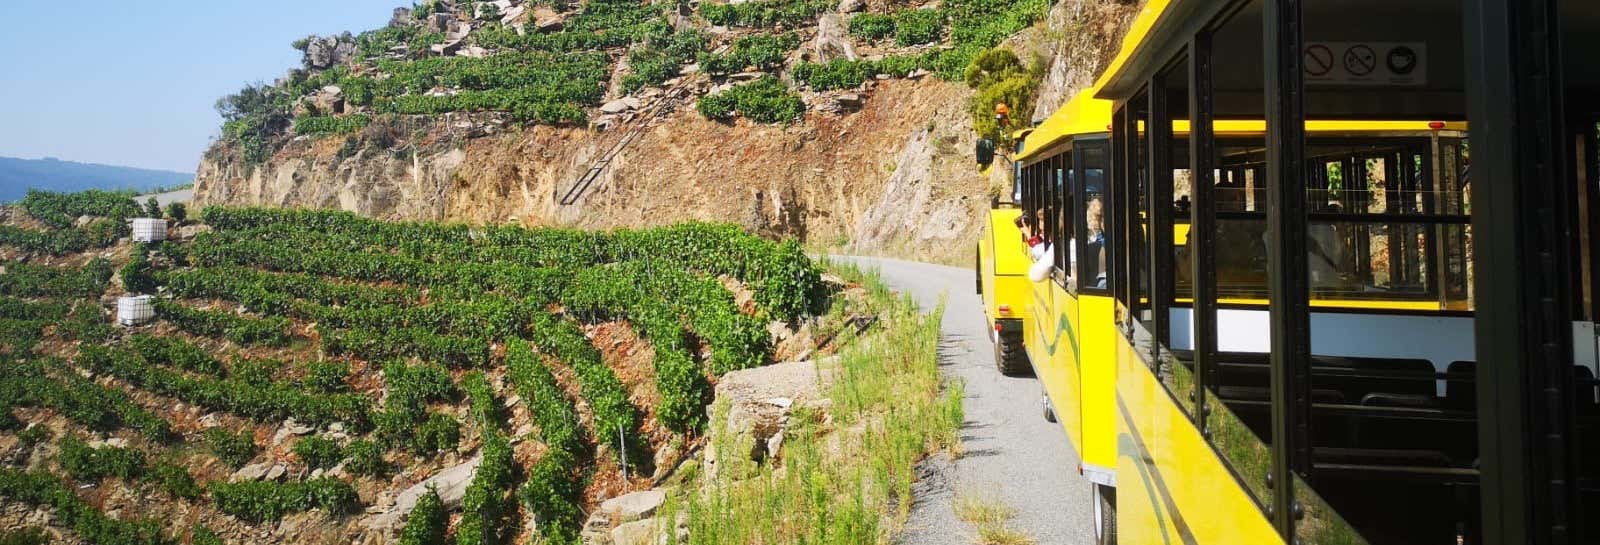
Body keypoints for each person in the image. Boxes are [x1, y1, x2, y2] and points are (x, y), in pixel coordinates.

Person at [1029, 207, 1055, 282]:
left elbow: (1035, 275)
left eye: (1044, 231)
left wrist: (1029, 236)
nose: (1041, 233)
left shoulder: (1056, 246)